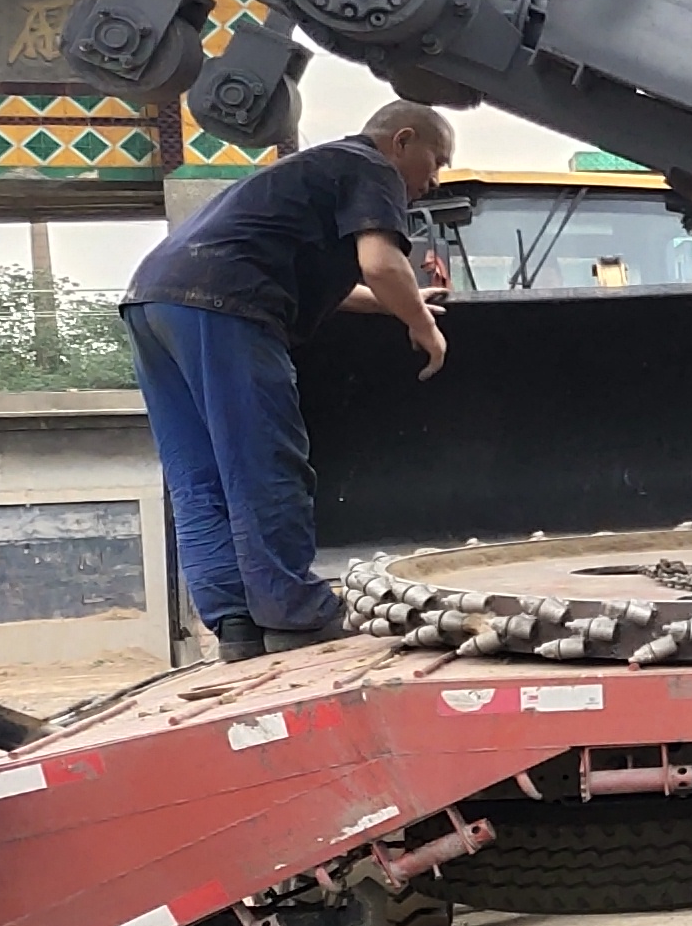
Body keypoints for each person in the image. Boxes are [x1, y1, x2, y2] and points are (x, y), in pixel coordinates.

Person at [122, 100, 455, 660]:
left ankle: (236, 625)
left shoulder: (310, 173)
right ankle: (295, 615)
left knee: (199, 476)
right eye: (436, 160)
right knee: (261, 462)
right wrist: (422, 326)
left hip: (152, 303)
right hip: (224, 306)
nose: (434, 178)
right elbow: (380, 261)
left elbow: (338, 276)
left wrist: (390, 304)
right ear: (403, 140)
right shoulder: (371, 166)